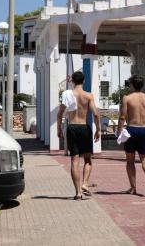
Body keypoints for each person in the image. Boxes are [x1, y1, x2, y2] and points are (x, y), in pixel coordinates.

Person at [57, 71, 100, 200]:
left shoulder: (67, 94)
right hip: (84, 128)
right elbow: (96, 114)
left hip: (72, 127)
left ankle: (78, 193)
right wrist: (98, 130)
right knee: (87, 160)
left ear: (72, 81)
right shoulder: (88, 96)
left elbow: (60, 113)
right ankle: (85, 184)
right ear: (84, 81)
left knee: (74, 161)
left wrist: (59, 128)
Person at [117, 75, 145, 196]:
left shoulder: (127, 98)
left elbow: (122, 117)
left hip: (132, 129)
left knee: (130, 160)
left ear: (132, 85)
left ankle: (133, 187)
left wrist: (119, 131)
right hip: (144, 129)